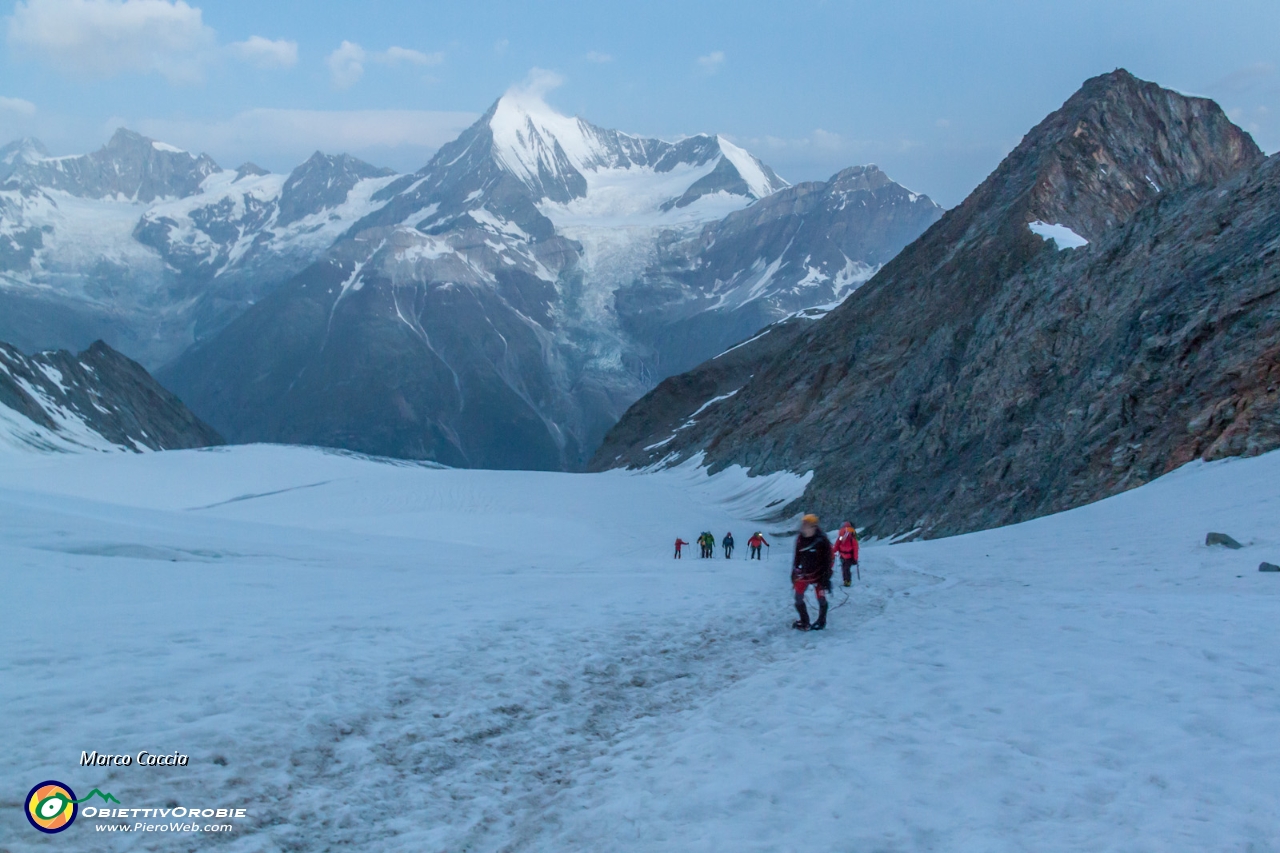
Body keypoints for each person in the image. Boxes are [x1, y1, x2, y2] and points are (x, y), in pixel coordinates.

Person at [791, 513, 833, 631]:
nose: (803, 526)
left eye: (806, 524)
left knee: (821, 599)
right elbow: (797, 557)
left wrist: (825, 578)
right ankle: (805, 622)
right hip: (804, 574)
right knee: (798, 598)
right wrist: (794, 573)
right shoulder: (800, 539)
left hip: (818, 575)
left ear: (813, 526)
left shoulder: (822, 541)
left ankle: (821, 621)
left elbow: (827, 561)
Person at [833, 521, 859, 586]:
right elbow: (855, 548)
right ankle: (847, 581)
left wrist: (833, 551)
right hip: (849, 556)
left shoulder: (841, 536)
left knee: (844, 568)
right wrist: (855, 558)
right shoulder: (852, 537)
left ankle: (846, 580)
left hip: (842, 555)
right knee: (846, 568)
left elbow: (837, 544)